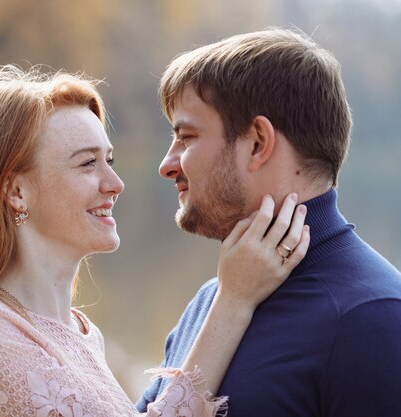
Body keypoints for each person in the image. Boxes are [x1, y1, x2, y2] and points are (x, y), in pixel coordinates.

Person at [0, 66, 310, 417]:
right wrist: (234, 300)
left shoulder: (83, 334)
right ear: (16, 192)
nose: (115, 184)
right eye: (87, 164)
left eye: (109, 161)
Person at [137, 28, 401, 416]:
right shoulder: (211, 302)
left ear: (258, 142)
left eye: (186, 136)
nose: (167, 164)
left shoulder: (374, 319)